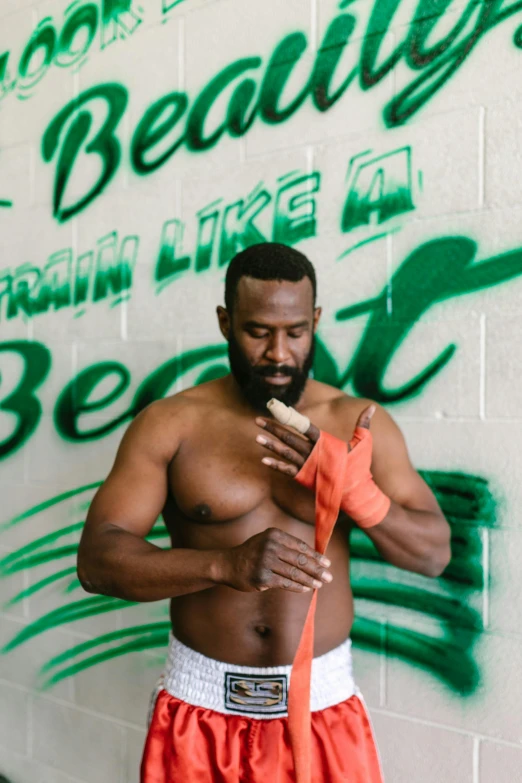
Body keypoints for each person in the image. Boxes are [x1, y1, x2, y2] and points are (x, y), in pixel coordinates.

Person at [77, 242, 452, 783]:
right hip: (199, 708)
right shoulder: (171, 424)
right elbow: (97, 561)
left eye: (296, 332)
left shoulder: (357, 423)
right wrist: (222, 565)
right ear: (226, 323)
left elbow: (434, 554)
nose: (279, 353)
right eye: (258, 332)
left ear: (316, 320)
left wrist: (357, 494)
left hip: (322, 706)